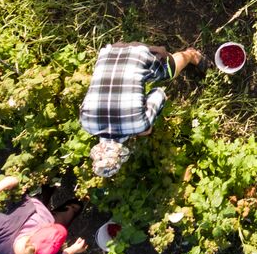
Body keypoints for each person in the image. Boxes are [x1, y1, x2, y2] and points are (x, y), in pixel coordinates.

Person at [80, 43, 203, 178]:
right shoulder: (86, 122)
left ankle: (191, 55)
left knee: (170, 71)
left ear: (121, 153)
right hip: (109, 52)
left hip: (141, 54)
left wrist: (145, 126)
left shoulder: (138, 125)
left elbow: (159, 93)